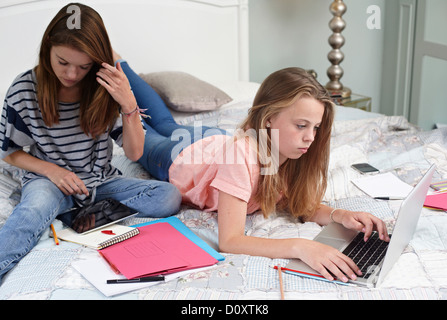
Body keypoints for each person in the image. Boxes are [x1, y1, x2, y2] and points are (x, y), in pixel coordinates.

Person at [117, 59, 391, 284]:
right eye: (301, 125)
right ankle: (115, 70)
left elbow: (297, 207)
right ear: (269, 117)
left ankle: (119, 64)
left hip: (214, 140)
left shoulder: (285, 150)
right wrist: (301, 246)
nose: (311, 138)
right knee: (139, 127)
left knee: (165, 121)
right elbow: (230, 241)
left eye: (315, 128)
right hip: (181, 157)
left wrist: (339, 215)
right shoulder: (244, 157)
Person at [0, 3, 180, 284]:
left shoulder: (103, 88)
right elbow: (9, 153)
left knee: (168, 196)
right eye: (63, 62)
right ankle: (61, 211)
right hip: (48, 181)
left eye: (83, 66)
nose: (71, 74)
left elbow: (134, 152)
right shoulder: (24, 89)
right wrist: (54, 172)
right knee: (32, 212)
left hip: (98, 184)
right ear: (48, 46)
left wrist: (129, 104)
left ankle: (76, 212)